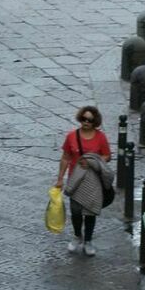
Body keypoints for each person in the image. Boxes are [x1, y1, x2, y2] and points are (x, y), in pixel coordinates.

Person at [55, 107, 113, 257]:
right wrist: (60, 178)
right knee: (75, 211)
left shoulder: (100, 137)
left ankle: (88, 240)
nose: (86, 122)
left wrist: (92, 161)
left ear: (95, 122)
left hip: (93, 180)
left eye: (90, 120)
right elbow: (65, 157)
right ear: (80, 119)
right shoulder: (71, 136)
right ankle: (77, 235)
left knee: (90, 212)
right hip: (75, 179)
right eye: (84, 119)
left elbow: (107, 156)